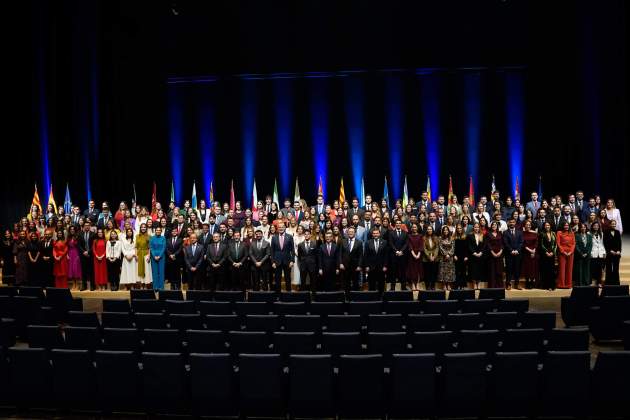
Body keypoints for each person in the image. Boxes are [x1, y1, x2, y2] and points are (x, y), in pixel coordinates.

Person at [270, 224, 295, 292]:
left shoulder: (289, 237)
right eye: (279, 227)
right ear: (277, 228)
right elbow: (272, 251)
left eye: (282, 227)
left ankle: (288, 295)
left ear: (284, 228)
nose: (281, 228)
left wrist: (292, 261)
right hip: (277, 261)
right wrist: (272, 262)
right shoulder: (274, 237)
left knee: (288, 279)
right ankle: (278, 296)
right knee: (277, 279)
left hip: (287, 261)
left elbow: (293, 250)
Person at [364, 227, 389, 292]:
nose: (375, 235)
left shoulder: (384, 242)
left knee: (381, 284)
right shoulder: (368, 243)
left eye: (377, 233)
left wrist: (385, 266)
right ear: (372, 234)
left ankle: (381, 298)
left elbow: (386, 255)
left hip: (381, 267)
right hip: (371, 267)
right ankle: (372, 299)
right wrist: (366, 266)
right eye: (374, 233)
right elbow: (366, 255)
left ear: (379, 234)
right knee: (371, 284)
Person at [388, 219, 409, 291]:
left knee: (403, 272)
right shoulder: (391, 233)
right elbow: (391, 243)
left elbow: (406, 244)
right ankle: (392, 287)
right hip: (394, 255)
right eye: (397, 223)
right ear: (395, 224)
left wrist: (401, 251)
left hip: (402, 255)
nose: (398, 224)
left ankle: (403, 287)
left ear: (401, 224)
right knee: (393, 272)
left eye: (399, 223)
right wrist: (396, 251)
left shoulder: (405, 233)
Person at [503, 219, 523, 290]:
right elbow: (505, 243)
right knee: (509, 269)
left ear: (515, 223)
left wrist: (517, 250)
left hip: (518, 253)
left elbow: (521, 242)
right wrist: (511, 250)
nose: (512, 223)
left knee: (517, 269)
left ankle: (517, 284)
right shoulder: (505, 232)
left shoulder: (519, 232)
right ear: (508, 223)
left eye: (513, 222)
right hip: (509, 253)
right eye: (510, 222)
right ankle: (508, 284)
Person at [556, 222, 576, 289]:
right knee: (562, 269)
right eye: (565, 225)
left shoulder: (572, 233)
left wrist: (571, 252)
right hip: (562, 253)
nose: (566, 226)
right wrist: (563, 251)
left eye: (567, 225)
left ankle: (568, 284)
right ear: (562, 226)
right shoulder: (559, 232)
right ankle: (561, 284)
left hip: (570, 253)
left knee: (569, 269)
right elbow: (558, 243)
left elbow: (573, 243)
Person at [539, 221, 557, 290]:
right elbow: (541, 245)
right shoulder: (541, 234)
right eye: (546, 225)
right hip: (544, 255)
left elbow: (555, 244)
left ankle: (552, 285)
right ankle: (546, 286)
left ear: (550, 226)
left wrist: (553, 252)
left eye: (548, 225)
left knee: (552, 271)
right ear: (544, 226)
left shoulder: (553, 234)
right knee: (545, 271)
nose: (547, 226)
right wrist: (546, 252)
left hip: (552, 255)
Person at [467, 223, 486, 289]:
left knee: (480, 270)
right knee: (473, 270)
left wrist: (481, 252)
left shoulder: (482, 235)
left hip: (480, 256)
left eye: (478, 227)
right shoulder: (470, 235)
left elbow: (484, 245)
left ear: (479, 228)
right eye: (475, 227)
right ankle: (474, 283)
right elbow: (469, 246)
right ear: (473, 228)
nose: (476, 228)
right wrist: (474, 253)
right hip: (473, 256)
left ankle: (479, 283)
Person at [521, 220, 539, 289]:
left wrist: (533, 250)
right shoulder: (522, 233)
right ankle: (527, 282)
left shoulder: (535, 233)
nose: (528, 226)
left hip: (534, 252)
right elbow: (522, 243)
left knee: (533, 268)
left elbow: (536, 242)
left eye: (529, 225)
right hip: (526, 252)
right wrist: (530, 250)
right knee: (527, 268)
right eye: (527, 224)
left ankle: (532, 281)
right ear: (524, 226)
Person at [406, 223, 424, 291]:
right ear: (411, 228)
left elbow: (421, 245)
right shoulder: (409, 236)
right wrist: (414, 254)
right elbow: (409, 246)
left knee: (419, 269)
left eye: (415, 227)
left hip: (419, 255)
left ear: (417, 228)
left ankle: (418, 283)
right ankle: (413, 284)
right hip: (411, 255)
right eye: (413, 227)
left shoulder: (420, 236)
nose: (414, 228)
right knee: (412, 270)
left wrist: (418, 254)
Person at [603, 220, 622, 285]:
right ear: (610, 224)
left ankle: (616, 283)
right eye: (612, 224)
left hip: (617, 253)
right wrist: (610, 250)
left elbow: (620, 243)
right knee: (609, 268)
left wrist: (619, 250)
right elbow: (605, 243)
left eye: (614, 224)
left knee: (616, 269)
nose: (613, 225)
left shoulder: (617, 232)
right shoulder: (606, 232)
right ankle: (608, 283)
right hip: (609, 253)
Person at [78, 222, 95, 290]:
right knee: (83, 271)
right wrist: (84, 252)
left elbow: (94, 245)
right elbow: (79, 245)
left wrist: (88, 252)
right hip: (83, 255)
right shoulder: (80, 234)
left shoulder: (93, 234)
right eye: (85, 225)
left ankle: (92, 286)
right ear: (84, 226)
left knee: (91, 271)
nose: (87, 227)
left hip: (90, 255)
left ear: (90, 226)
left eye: (88, 225)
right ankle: (84, 286)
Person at [487, 222, 504, 288]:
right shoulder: (488, 234)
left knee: (499, 271)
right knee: (492, 271)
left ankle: (499, 286)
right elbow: (488, 244)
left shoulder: (500, 233)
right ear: (491, 226)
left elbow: (503, 243)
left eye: (495, 225)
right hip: (491, 255)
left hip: (499, 254)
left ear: (497, 226)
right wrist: (492, 252)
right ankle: (492, 286)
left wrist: (500, 251)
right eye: (493, 225)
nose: (494, 226)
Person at [135, 223, 153, 288]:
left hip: (146, 254)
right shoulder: (137, 236)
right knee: (140, 270)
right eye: (142, 227)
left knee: (146, 270)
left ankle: (146, 285)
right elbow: (136, 247)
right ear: (140, 228)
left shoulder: (149, 236)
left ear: (146, 228)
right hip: (139, 254)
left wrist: (149, 256)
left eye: (144, 227)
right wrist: (136, 255)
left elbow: (150, 247)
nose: (143, 228)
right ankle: (141, 285)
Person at [422, 225, 439, 290]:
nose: (429, 230)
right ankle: (427, 285)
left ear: (432, 230)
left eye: (430, 229)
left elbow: (437, 248)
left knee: (434, 273)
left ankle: (433, 285)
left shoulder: (436, 238)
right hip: (426, 258)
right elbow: (424, 248)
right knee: (427, 273)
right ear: (426, 230)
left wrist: (434, 256)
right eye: (428, 229)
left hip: (435, 258)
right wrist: (429, 256)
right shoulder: (424, 238)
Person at [590, 222, 606, 286]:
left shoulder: (601, 234)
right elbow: (589, 244)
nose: (596, 227)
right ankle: (594, 282)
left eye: (597, 226)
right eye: (595, 226)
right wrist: (590, 252)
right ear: (592, 226)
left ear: (599, 227)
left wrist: (604, 252)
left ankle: (599, 282)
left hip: (601, 253)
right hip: (593, 253)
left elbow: (603, 244)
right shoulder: (589, 233)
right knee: (593, 269)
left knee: (600, 269)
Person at [453, 224, 468, 289]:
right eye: (458, 228)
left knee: (463, 271)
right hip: (456, 256)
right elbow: (452, 248)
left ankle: (462, 285)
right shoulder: (454, 237)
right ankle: (457, 285)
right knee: (457, 271)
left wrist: (466, 256)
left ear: (462, 229)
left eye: (460, 228)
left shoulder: (465, 237)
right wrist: (454, 255)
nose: (459, 229)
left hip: (464, 256)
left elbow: (467, 247)